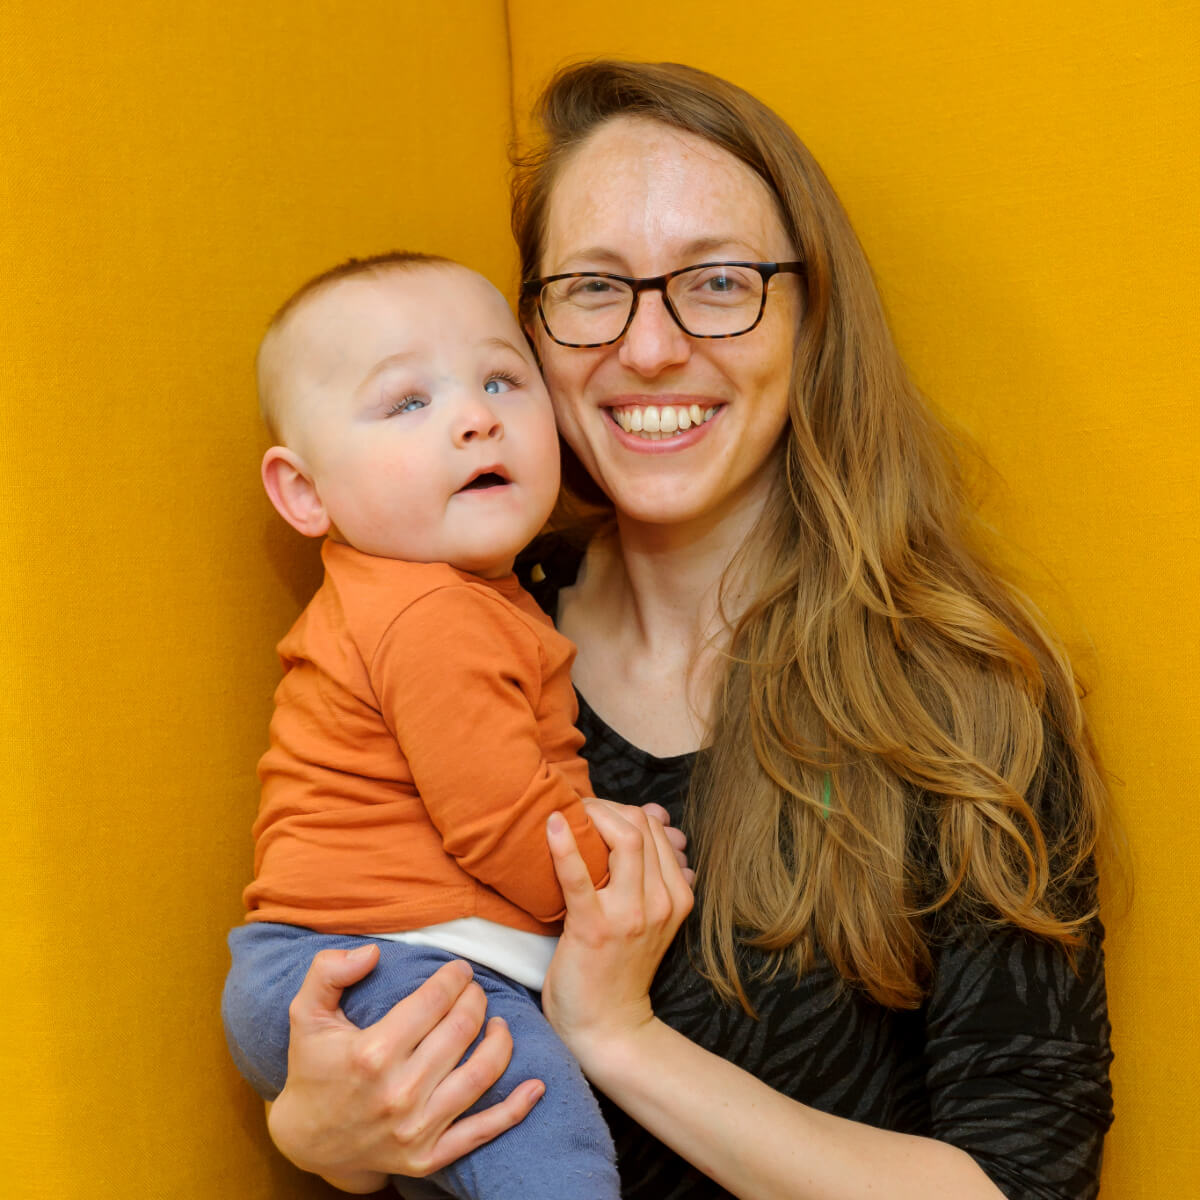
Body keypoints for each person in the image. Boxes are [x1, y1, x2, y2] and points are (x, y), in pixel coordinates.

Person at [230, 60, 1115, 1200]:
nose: (648, 349)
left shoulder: (961, 698)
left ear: (812, 317)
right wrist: (321, 1132)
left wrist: (622, 1039)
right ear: (533, 334)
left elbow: (1025, 1183)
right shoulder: (456, 618)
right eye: (595, 289)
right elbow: (350, 958)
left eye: (718, 282)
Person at [221, 251, 693, 1199]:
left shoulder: (459, 597)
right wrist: (616, 877)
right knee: (548, 1149)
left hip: (372, 959)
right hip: (372, 961)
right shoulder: (429, 615)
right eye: (407, 403)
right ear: (305, 493)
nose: (475, 417)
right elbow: (496, 817)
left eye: (499, 379)